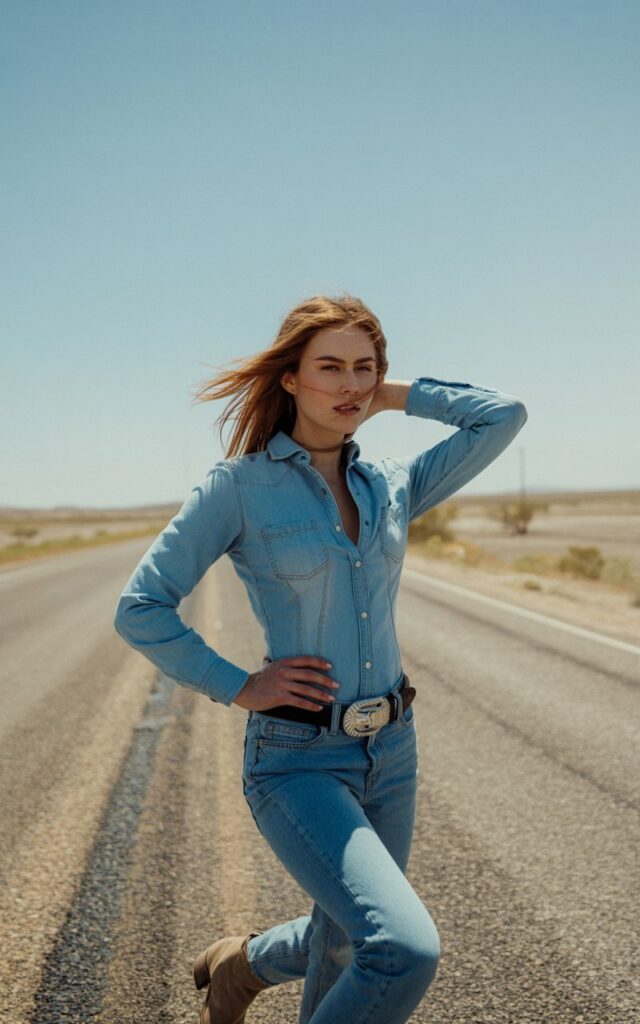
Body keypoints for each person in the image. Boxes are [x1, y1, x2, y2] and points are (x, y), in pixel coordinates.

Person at [113, 293, 527, 1024]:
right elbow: (140, 608)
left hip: (392, 749)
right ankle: (244, 964)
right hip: (298, 756)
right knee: (401, 948)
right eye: (328, 367)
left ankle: (241, 964)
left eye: (362, 368)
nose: (348, 383)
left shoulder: (391, 483)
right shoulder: (239, 487)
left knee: (347, 943)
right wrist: (238, 684)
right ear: (290, 379)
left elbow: (503, 415)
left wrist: (388, 394)